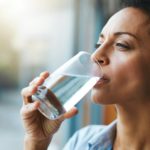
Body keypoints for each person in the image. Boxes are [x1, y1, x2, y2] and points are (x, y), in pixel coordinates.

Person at [20, 0, 150, 149]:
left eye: (121, 45)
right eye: (99, 44)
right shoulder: (81, 142)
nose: (95, 56)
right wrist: (37, 141)